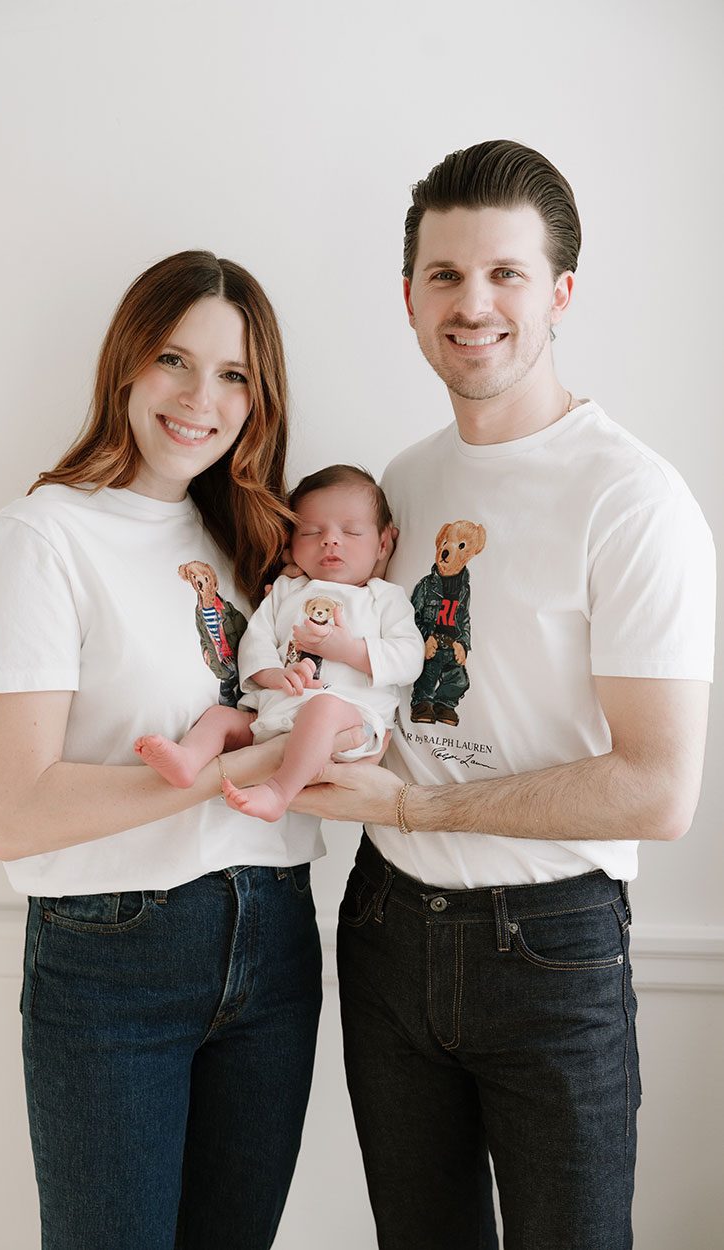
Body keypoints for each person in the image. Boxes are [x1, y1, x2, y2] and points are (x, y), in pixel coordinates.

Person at [292, 141, 716, 1250]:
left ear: (560, 293)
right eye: (445, 274)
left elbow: (658, 789)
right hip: (385, 928)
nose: (472, 304)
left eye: (505, 274)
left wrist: (414, 805)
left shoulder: (634, 500)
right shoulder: (402, 482)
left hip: (551, 946)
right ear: (408, 295)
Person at [0, 251, 362, 1250]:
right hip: (116, 953)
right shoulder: (40, 540)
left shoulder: (258, 544)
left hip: (275, 937)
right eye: (174, 359)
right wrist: (234, 773)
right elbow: (17, 812)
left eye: (233, 375)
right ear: (127, 361)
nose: (199, 399)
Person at [135, 465, 424, 821]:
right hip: (275, 718)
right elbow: (257, 637)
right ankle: (189, 759)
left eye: (351, 532)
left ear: (382, 545)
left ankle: (278, 791)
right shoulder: (286, 589)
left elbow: (410, 658)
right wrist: (272, 674)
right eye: (312, 531)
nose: (330, 540)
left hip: (350, 724)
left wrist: (350, 650)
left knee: (324, 708)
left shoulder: (384, 598)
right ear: (291, 543)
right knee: (220, 716)